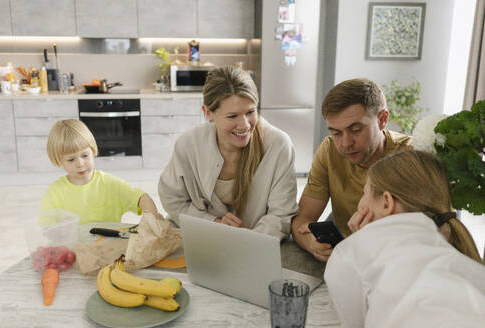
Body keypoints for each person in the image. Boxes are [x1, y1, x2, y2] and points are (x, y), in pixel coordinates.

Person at [325, 150, 485, 328]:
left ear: (387, 202)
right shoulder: (465, 264)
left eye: (364, 193)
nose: (360, 203)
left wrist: (360, 243)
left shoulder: (348, 254)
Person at [158, 66, 298, 240]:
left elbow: (281, 215)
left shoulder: (278, 145)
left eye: (250, 112)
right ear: (208, 113)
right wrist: (213, 222)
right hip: (202, 239)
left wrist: (246, 244)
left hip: (257, 247)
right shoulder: (188, 144)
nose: (245, 125)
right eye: (232, 116)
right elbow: (173, 199)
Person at [291, 78, 412, 261]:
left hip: (394, 258)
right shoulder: (329, 150)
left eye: (356, 130)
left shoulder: (411, 157)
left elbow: (431, 234)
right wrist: (312, 244)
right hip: (344, 253)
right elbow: (302, 219)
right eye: (336, 133)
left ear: (382, 120)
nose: (345, 144)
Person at [42, 119, 160, 225]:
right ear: (59, 161)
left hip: (110, 248)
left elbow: (141, 198)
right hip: (73, 249)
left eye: (85, 155)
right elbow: (46, 229)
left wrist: (152, 218)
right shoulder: (55, 193)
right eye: (71, 159)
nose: (80, 164)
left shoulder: (110, 184)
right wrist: (58, 228)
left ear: (93, 151)